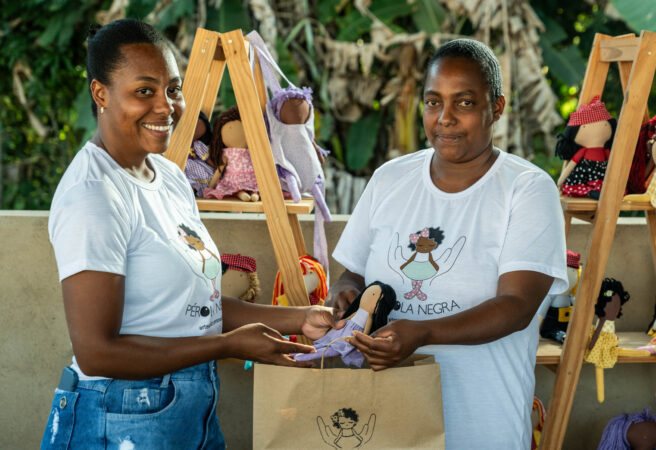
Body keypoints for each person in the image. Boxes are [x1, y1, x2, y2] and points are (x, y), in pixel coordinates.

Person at [41, 19, 340, 448]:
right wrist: (225, 346)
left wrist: (301, 320)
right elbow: (97, 352)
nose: (166, 106)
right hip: (120, 419)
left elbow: (197, 308)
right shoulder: (94, 194)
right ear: (100, 94)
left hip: (187, 414)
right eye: (144, 90)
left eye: (174, 89)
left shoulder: (168, 176)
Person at [329, 39, 567, 449]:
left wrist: (422, 333)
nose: (445, 118)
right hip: (386, 419)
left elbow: (517, 307)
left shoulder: (526, 189)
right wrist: (345, 295)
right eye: (433, 102)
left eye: (465, 103)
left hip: (483, 423)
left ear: (497, 107)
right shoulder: (390, 178)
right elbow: (352, 272)